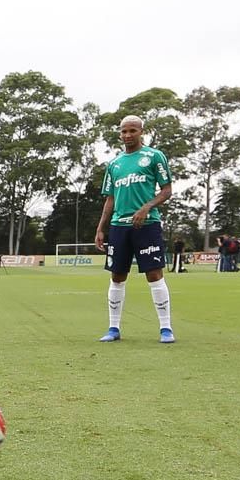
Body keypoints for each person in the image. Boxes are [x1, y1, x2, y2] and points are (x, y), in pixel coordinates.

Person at [94, 115, 174, 343]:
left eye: (132, 131)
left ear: (141, 131)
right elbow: (110, 198)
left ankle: (166, 328)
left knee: (154, 274)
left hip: (147, 225)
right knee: (117, 276)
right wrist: (101, 228)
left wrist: (146, 207)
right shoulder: (114, 164)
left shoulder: (154, 157)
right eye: (124, 131)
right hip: (119, 227)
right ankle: (113, 328)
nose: (127, 135)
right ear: (120, 133)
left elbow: (166, 190)